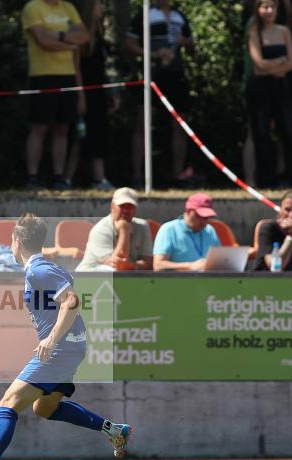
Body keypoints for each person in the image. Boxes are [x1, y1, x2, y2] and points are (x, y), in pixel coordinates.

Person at [0, 214, 131, 460]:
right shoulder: (43, 267)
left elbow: (72, 301)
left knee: (9, 402)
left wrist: (51, 339)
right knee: (44, 408)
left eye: (11, 240)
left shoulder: (38, 270)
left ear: (17, 242)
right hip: (70, 348)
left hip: (61, 349)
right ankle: (115, 430)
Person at [125, 0, 196, 187]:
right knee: (143, 123)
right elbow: (129, 44)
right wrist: (154, 54)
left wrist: (186, 42)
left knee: (180, 125)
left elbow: (191, 48)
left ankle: (178, 175)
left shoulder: (179, 15)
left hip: (177, 76)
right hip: (153, 75)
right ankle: (137, 175)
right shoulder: (144, 14)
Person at [21, 0, 87, 190]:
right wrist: (70, 43)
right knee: (39, 127)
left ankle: (59, 177)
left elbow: (84, 36)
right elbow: (43, 42)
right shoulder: (33, 7)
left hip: (68, 75)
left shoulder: (69, 8)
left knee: (62, 129)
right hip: (42, 75)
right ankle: (32, 177)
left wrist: (58, 36)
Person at [246, 0, 292, 188]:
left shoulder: (284, 31)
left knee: (289, 131)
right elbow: (258, 65)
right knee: (261, 133)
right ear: (258, 10)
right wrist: (280, 62)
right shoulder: (254, 33)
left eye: (272, 7)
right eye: (265, 7)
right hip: (260, 90)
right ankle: (265, 180)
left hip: (281, 87)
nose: (269, 11)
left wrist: (270, 66)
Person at [64, 0, 115, 190]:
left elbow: (104, 68)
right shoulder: (81, 37)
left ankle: (99, 178)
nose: (101, 7)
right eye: (98, 4)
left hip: (99, 92)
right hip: (85, 91)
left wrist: (111, 92)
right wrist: (80, 94)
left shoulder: (99, 35)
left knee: (97, 134)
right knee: (79, 136)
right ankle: (66, 178)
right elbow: (76, 67)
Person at [75, 187, 153, 271]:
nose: (126, 210)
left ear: (135, 209)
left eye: (130, 206)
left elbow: (148, 262)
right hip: (89, 276)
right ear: (112, 206)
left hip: (122, 277)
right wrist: (124, 231)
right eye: (122, 206)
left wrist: (132, 266)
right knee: (110, 270)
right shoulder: (100, 230)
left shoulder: (143, 226)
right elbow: (116, 264)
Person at [152, 192, 220, 271]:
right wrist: (189, 266)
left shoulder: (210, 230)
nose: (204, 222)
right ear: (188, 211)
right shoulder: (168, 229)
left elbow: (219, 262)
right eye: (200, 216)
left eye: (207, 217)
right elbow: (158, 265)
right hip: (179, 281)